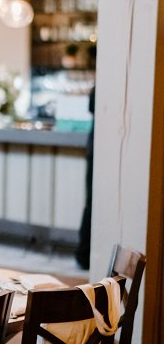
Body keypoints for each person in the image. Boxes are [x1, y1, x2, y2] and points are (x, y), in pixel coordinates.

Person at [75, 84, 95, 270]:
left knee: (92, 202)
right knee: (93, 203)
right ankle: (84, 255)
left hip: (96, 145)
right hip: (97, 147)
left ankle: (84, 255)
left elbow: (91, 105)